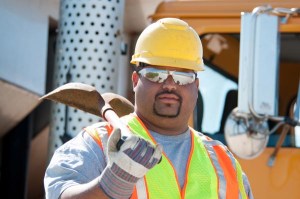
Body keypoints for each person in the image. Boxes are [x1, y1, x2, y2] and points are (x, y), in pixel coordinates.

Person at [44, 18, 253, 199]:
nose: (170, 84)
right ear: (135, 80)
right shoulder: (100, 142)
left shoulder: (222, 161)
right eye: (156, 74)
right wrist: (112, 183)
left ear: (196, 87)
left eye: (182, 76)